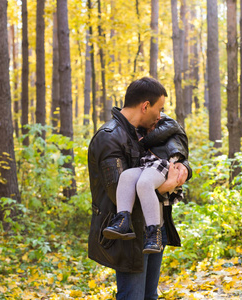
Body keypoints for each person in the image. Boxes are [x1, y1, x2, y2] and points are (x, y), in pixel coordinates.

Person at [87, 77, 191, 300]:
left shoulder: (147, 130)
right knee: (132, 297)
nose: (161, 115)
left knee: (150, 297)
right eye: (159, 108)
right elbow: (119, 193)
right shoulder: (109, 138)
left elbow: (171, 152)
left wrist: (183, 168)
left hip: (155, 227)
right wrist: (168, 184)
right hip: (129, 233)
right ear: (145, 106)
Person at [102, 113, 188, 254]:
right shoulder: (142, 126)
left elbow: (159, 135)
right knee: (127, 176)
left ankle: (154, 234)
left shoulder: (167, 122)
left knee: (144, 183)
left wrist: (143, 140)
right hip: (147, 164)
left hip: (164, 163)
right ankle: (123, 220)